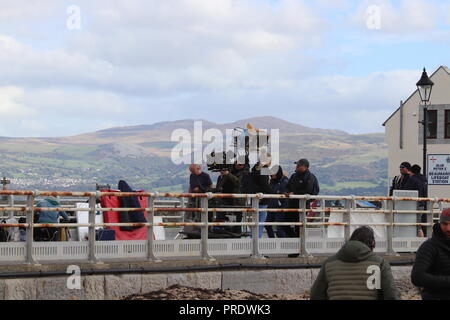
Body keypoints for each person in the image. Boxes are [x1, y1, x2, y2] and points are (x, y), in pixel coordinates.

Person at [310, 226, 400, 300]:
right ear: (373, 244)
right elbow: (392, 295)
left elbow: (315, 295)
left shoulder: (329, 264)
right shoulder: (380, 263)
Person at [411, 209, 450, 300]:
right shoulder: (429, 247)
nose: (448, 229)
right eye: (445, 224)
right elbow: (417, 277)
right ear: (439, 224)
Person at [284, 159, 320, 238]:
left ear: (305, 167)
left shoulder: (310, 177)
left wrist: (294, 193)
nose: (297, 166)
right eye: (297, 165)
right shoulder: (294, 176)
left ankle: (298, 242)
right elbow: (287, 187)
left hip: (303, 205)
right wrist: (287, 192)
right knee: (284, 223)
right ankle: (295, 239)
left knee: (299, 226)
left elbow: (308, 191)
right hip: (292, 204)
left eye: (299, 165)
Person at [249, 161, 273, 238]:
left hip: (255, 199)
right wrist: (272, 192)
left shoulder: (255, 170)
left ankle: (252, 238)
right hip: (263, 200)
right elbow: (265, 185)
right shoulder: (264, 170)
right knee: (260, 222)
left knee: (255, 222)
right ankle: (257, 240)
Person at [403, 165, 427, 237]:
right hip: (422, 203)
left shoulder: (412, 180)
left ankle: (420, 240)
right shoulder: (423, 179)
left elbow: (405, 191)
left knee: (417, 225)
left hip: (413, 205)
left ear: (411, 171)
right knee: (419, 223)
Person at [267, 165, 289, 238]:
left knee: (279, 227)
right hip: (271, 207)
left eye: (273, 173)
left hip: (281, 208)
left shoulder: (285, 182)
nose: (271, 174)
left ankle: (282, 243)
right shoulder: (272, 182)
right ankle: (273, 240)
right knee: (267, 225)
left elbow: (285, 196)